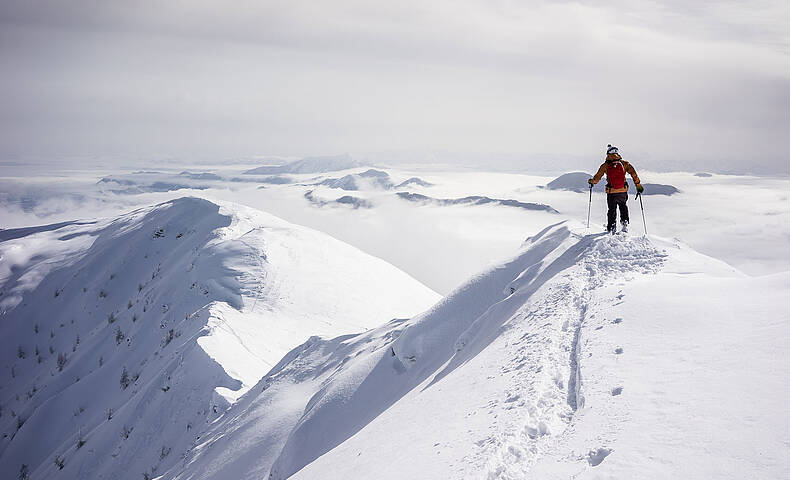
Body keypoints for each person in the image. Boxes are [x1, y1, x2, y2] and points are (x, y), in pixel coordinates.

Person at [588, 145, 644, 234]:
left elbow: (597, 177)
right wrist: (638, 186)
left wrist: (591, 182)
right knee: (623, 206)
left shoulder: (605, 165)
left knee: (612, 210)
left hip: (611, 192)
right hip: (623, 191)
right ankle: (624, 224)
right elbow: (634, 174)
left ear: (607, 154)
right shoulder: (624, 163)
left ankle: (611, 228)